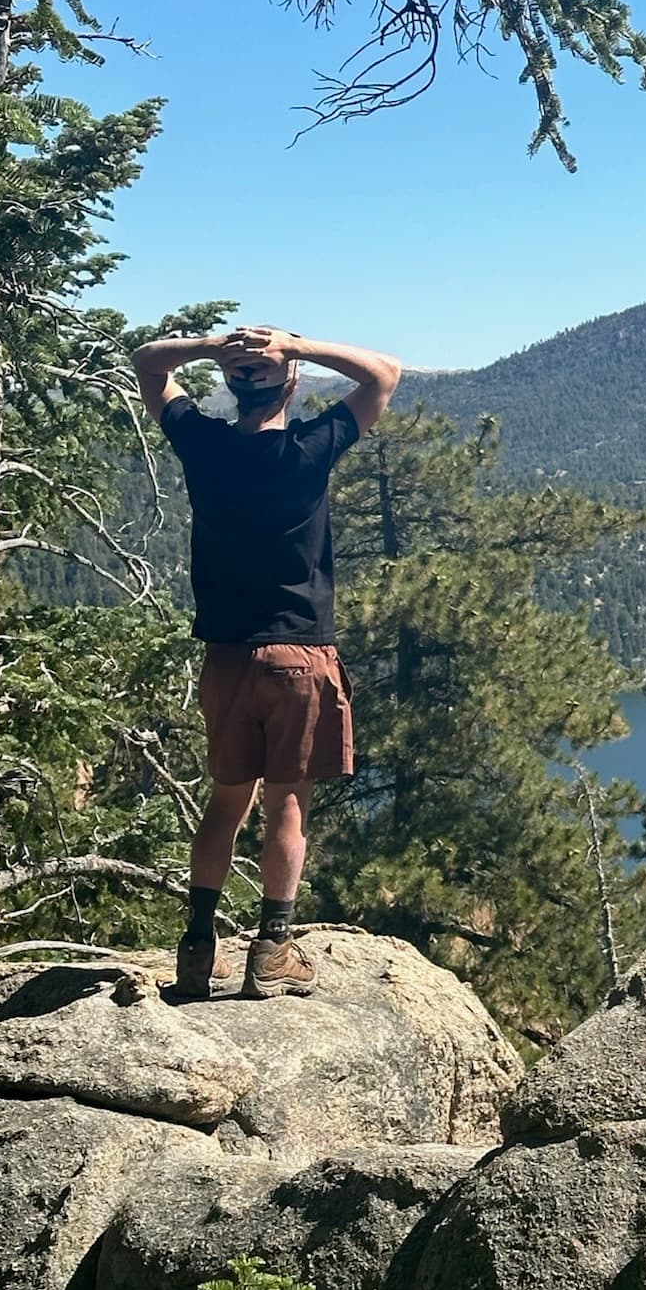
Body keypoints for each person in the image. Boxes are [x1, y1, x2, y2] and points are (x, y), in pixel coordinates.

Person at [131, 324, 401, 999]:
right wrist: (296, 344)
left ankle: (197, 949)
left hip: (225, 659)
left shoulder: (202, 443)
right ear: (293, 386)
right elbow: (383, 374)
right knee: (287, 806)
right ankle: (272, 949)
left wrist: (216, 349)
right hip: (298, 655)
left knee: (225, 804)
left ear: (229, 388)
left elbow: (148, 363)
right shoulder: (308, 448)